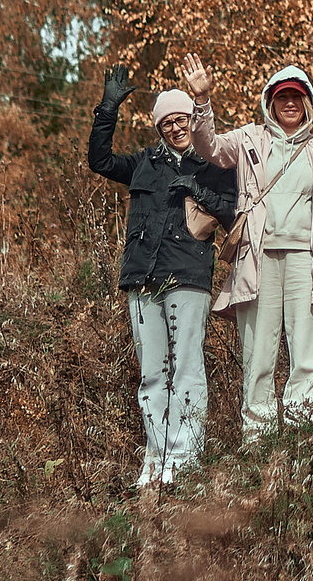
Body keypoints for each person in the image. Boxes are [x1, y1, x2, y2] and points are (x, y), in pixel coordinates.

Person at [86, 66, 236, 487]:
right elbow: (99, 161)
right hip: (142, 277)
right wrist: (108, 110)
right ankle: (156, 458)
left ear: (192, 119)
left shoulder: (214, 163)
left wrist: (197, 190)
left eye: (181, 118)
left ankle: (185, 459)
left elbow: (231, 213)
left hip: (188, 275)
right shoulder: (143, 163)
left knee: (186, 368)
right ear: (158, 128)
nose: (175, 127)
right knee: (152, 373)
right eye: (166, 122)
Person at [182, 58, 313, 437]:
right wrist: (202, 100)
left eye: (297, 96)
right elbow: (208, 147)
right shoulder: (249, 139)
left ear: (308, 103)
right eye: (282, 96)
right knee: (258, 352)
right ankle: (258, 439)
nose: (290, 103)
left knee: (308, 352)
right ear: (270, 103)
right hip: (258, 260)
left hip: (309, 260)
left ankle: (303, 436)